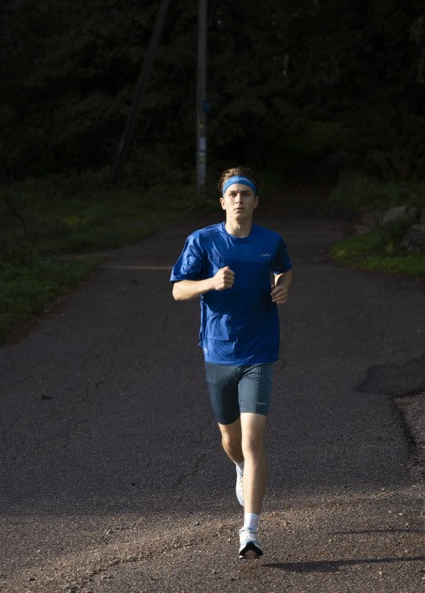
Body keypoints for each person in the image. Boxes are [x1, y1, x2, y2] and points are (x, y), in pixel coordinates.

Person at [170, 167, 294, 560]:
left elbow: (285, 267)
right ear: (223, 201)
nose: (239, 199)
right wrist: (209, 283)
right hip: (219, 352)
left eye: (246, 193)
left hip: (260, 351)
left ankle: (250, 530)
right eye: (233, 194)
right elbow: (177, 289)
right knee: (230, 440)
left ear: (256, 201)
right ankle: (239, 467)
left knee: (254, 439)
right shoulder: (203, 240)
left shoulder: (270, 241)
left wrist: (283, 286)